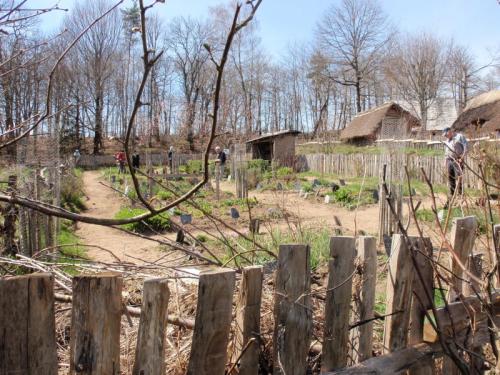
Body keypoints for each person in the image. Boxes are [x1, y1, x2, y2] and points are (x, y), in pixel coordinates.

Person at [443, 127, 467, 208]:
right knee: (451, 178)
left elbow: (465, 147)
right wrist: (445, 163)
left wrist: (462, 158)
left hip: (458, 160)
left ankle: (461, 195)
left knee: (459, 177)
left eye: (446, 134)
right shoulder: (447, 141)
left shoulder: (459, 137)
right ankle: (452, 195)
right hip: (450, 160)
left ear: (450, 132)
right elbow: (446, 153)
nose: (446, 136)